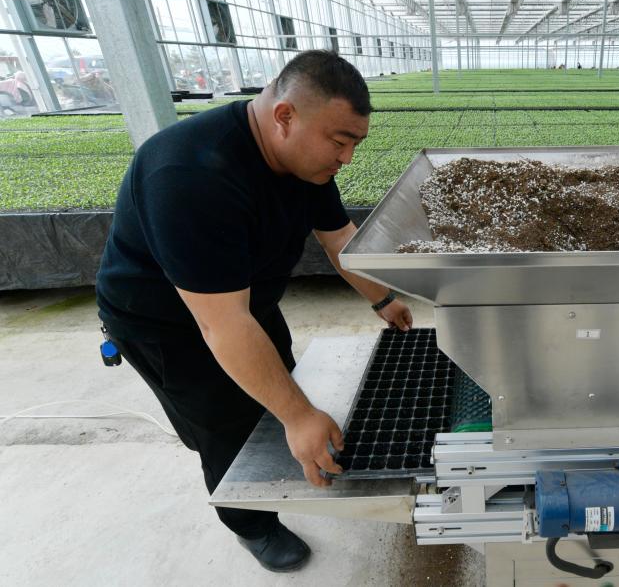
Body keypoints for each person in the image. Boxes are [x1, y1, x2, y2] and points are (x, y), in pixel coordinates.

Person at [95, 50, 413, 572]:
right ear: (285, 115)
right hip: (168, 325)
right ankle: (252, 525)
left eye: (355, 143)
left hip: (245, 302)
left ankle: (283, 441)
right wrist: (298, 416)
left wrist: (383, 297)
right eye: (340, 142)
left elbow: (338, 238)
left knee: (276, 387)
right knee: (225, 427)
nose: (347, 158)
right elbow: (222, 324)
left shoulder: (304, 161)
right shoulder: (188, 175)